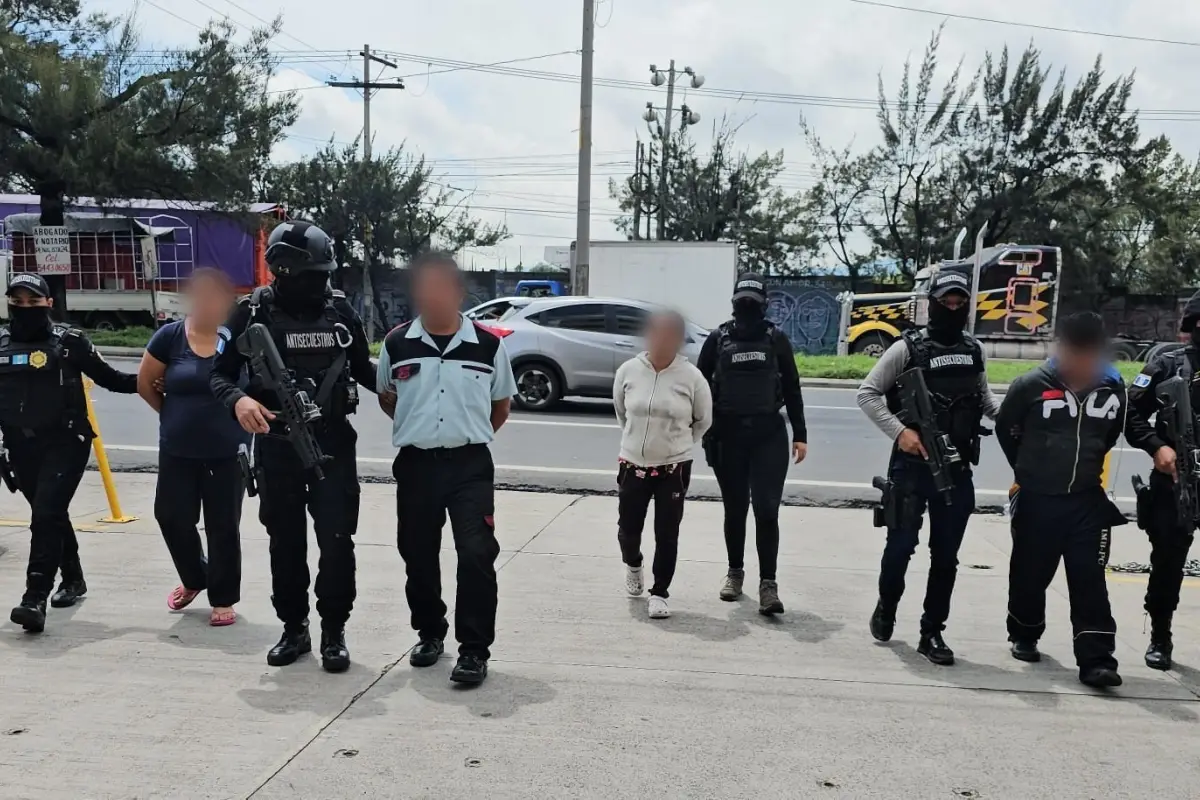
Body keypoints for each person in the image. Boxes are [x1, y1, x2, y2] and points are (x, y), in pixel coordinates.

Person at [210, 220, 379, 673]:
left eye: (324, 274)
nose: (320, 283)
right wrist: (239, 400)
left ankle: (334, 631)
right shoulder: (250, 312)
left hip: (333, 444)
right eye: (313, 276)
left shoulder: (340, 311)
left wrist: (404, 389)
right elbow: (218, 375)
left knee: (337, 541)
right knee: (285, 543)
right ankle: (294, 628)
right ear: (284, 271)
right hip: (277, 445)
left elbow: (365, 369)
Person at [377, 251, 517, 686]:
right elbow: (388, 398)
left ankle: (474, 650)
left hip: (469, 465)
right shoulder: (397, 343)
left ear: (458, 292)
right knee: (417, 552)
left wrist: (465, 434)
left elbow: (500, 406)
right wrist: (422, 430)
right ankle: (430, 632)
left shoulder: (488, 346)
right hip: (416, 465)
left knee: (476, 554)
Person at [856, 271, 999, 665]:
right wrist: (900, 432)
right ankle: (887, 606)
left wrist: (1017, 416)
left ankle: (932, 631)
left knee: (946, 557)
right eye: (945, 301)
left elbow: (985, 400)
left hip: (956, 468)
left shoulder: (974, 349)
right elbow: (868, 394)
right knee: (900, 547)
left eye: (959, 302)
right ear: (932, 303)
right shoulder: (907, 348)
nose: (952, 307)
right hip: (911, 467)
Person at [1, 272, 139, 632]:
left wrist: (158, 381)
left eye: (33, 301)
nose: (25, 307)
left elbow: (113, 379)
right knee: (51, 513)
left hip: (66, 442)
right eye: (17, 301)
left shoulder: (69, 342)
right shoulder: (1, 344)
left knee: (45, 513)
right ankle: (73, 578)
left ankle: (34, 598)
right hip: (19, 445)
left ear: (49, 303)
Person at [996, 312, 1128, 689]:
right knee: (1030, 572)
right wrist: (1028, 472)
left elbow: (1109, 434)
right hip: (1037, 498)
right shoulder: (1031, 385)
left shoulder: (1112, 386)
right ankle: (1025, 632)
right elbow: (1006, 429)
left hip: (1087, 500)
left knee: (1089, 579)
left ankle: (1097, 660)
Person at [138, 268, 247, 627]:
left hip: (227, 450)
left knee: (223, 526)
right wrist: (171, 414)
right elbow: (145, 383)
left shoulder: (239, 339)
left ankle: (223, 597)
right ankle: (194, 577)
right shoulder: (169, 337)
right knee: (171, 517)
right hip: (178, 449)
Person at [697, 273, 808, 615]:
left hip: (768, 436)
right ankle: (735, 574)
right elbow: (698, 387)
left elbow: (792, 386)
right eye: (742, 301)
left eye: (752, 301)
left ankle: (768, 585)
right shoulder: (717, 339)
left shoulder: (776, 339)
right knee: (735, 509)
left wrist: (800, 434)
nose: (747, 306)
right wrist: (698, 430)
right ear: (734, 303)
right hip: (727, 436)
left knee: (766, 510)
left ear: (764, 304)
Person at [613, 309, 712, 619]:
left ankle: (659, 592)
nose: (662, 339)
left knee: (667, 533)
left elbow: (703, 420)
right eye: (656, 332)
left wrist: (676, 446)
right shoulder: (629, 370)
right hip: (633, 464)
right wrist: (634, 441)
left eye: (669, 334)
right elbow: (622, 412)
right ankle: (633, 564)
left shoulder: (691, 377)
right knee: (628, 530)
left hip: (673, 468)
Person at [1125, 289, 1200, 671]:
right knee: (1168, 562)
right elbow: (1130, 413)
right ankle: (1160, 635)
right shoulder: (1167, 365)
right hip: (1175, 478)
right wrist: (1158, 447)